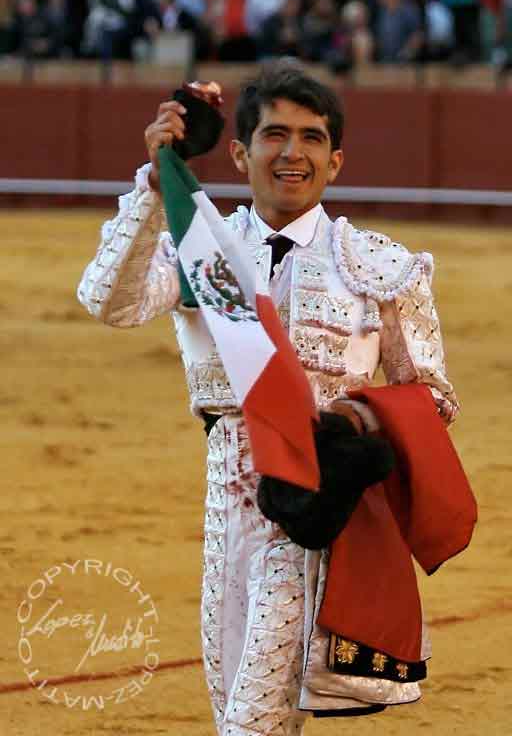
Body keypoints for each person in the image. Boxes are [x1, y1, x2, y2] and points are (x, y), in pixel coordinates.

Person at [77, 62, 462, 734]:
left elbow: (432, 395)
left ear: (335, 161)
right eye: (274, 135)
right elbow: (108, 300)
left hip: (319, 508)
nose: (293, 153)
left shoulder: (377, 265)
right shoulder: (204, 252)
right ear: (239, 152)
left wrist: (354, 418)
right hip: (227, 510)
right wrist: (156, 175)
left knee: (253, 722)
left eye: (312, 139)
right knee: (236, 707)